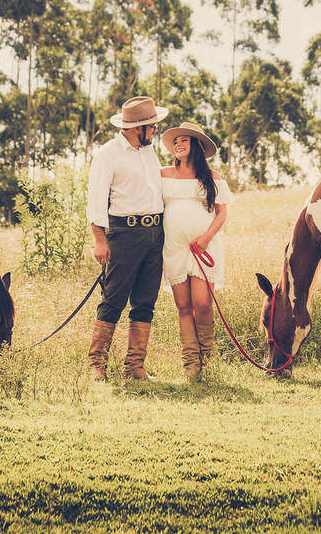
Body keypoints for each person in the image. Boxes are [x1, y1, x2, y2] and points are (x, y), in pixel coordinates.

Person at [85, 96, 169, 381]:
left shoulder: (148, 152)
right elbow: (96, 201)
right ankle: (97, 364)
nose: (155, 130)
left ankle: (134, 367)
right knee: (113, 299)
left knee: (145, 301)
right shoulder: (108, 154)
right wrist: (100, 240)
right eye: (152, 126)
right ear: (138, 128)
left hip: (155, 234)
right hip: (124, 234)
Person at [159, 122, 231, 379]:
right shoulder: (163, 174)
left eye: (184, 141)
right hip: (175, 248)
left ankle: (206, 358)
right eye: (175, 141)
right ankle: (191, 365)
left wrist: (206, 238)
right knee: (183, 305)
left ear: (197, 146)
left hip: (204, 246)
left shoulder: (213, 178)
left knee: (201, 303)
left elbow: (222, 212)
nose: (178, 144)